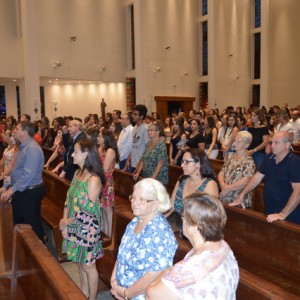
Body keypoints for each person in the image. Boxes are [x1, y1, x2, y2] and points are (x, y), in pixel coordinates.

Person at [146, 192, 239, 300]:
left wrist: (168, 271)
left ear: (194, 226)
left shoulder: (190, 269)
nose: (182, 220)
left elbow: (151, 293)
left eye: (183, 217)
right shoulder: (223, 246)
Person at [110, 178, 178, 300]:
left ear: (156, 204)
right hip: (122, 289)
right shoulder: (134, 222)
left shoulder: (161, 234)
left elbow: (154, 275)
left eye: (142, 200)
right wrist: (114, 278)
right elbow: (122, 253)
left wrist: (127, 293)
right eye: (133, 197)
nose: (135, 203)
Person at [60, 139, 106, 300]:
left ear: (85, 155)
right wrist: (64, 223)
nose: (72, 154)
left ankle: (92, 297)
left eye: (75, 152)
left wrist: (67, 222)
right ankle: (84, 293)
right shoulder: (77, 173)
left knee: (88, 265)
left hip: (87, 229)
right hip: (72, 225)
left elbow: (88, 212)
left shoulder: (93, 180)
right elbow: (68, 199)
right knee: (79, 261)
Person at [231, 131, 300, 224]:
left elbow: (298, 192)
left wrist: (282, 214)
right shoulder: (269, 158)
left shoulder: (295, 163)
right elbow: (256, 177)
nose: (272, 146)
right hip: (270, 209)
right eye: (272, 143)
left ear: (287, 144)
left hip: (289, 214)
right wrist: (241, 195)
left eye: (277, 143)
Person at [0, 122, 46, 241]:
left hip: (29, 191)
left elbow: (28, 175)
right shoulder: (24, 146)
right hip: (23, 190)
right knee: (20, 221)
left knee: (31, 224)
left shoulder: (32, 149)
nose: (13, 130)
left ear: (25, 132)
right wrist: (8, 185)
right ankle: (24, 250)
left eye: (16, 128)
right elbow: (17, 170)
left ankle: (40, 254)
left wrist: (11, 190)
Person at [167, 149, 219, 236]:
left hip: (199, 234)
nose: (182, 165)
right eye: (182, 161)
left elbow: (209, 220)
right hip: (181, 230)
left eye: (187, 162)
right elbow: (170, 207)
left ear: (198, 164)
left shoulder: (210, 184)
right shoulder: (182, 179)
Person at [218, 131, 256, 207]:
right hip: (225, 194)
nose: (234, 143)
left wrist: (228, 188)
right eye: (235, 141)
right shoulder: (231, 156)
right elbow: (221, 172)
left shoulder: (249, 161)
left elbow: (246, 180)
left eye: (238, 142)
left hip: (238, 199)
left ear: (246, 145)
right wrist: (222, 185)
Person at [97, 129, 119, 237]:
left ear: (106, 138)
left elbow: (105, 169)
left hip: (106, 181)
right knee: (103, 208)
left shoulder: (110, 151)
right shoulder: (102, 149)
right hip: (101, 180)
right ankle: (105, 233)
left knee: (108, 209)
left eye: (100, 136)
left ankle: (110, 235)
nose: (97, 138)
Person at [125, 105, 149, 173]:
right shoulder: (134, 127)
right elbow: (133, 145)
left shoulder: (146, 128)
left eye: (135, 114)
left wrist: (140, 164)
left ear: (141, 116)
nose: (132, 116)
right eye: (132, 113)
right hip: (133, 162)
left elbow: (148, 149)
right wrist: (128, 159)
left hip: (141, 164)